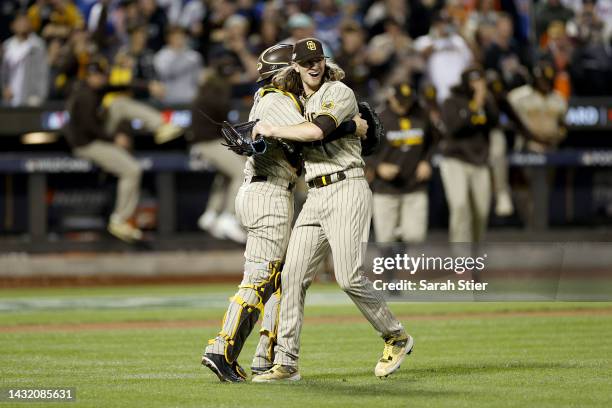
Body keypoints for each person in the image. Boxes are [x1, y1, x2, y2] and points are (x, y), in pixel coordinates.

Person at [251, 38, 412, 382]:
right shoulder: (294, 100)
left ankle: (396, 335)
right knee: (292, 277)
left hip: (347, 187)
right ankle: (287, 363)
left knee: (349, 276)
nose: (314, 65)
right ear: (295, 65)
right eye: (307, 61)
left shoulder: (338, 91)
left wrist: (272, 129)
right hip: (315, 195)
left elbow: (315, 131)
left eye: (318, 59)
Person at [64, 59, 143, 242]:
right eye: (93, 75)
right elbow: (88, 128)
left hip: (95, 140)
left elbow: (117, 87)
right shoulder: (84, 95)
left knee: (119, 104)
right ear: (88, 76)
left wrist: (147, 87)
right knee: (132, 170)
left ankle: (122, 219)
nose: (97, 78)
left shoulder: (95, 90)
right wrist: (114, 139)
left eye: (99, 75)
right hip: (86, 144)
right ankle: (120, 219)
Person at [371, 82, 438, 243]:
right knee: (385, 241)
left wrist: (426, 161)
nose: (404, 106)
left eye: (408, 101)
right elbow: (362, 150)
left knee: (415, 237)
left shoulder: (421, 115)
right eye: (400, 101)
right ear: (390, 98)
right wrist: (378, 166)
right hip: (385, 189)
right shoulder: (378, 118)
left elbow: (434, 141)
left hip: (414, 186)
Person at [440, 67, 498, 243]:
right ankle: (461, 262)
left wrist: (488, 101)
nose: (477, 85)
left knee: (481, 211)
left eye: (479, 81)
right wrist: (475, 106)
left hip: (480, 160)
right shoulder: (451, 101)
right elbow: (454, 128)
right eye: (473, 82)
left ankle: (474, 253)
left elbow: (495, 122)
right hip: (455, 159)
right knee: (460, 207)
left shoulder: (487, 101)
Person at [189, 67, 247, 243]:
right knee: (242, 172)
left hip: (204, 143)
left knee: (228, 173)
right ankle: (229, 217)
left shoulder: (208, 88)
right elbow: (223, 120)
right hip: (208, 144)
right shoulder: (217, 90)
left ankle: (211, 214)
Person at [1, 13, 48, 107]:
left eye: (25, 21)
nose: (22, 24)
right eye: (19, 22)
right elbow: (3, 72)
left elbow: (43, 72)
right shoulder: (7, 46)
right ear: (12, 26)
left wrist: (39, 95)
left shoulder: (37, 45)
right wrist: (4, 88)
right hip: (10, 96)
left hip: (31, 96)